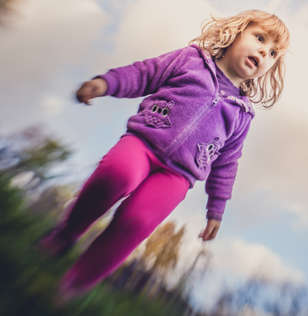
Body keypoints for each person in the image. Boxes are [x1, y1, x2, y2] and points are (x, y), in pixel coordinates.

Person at [40, 9, 290, 300]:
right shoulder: (190, 60)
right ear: (234, 33)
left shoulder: (242, 114)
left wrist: (216, 209)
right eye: (259, 38)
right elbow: (143, 74)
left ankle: (75, 283)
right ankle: (66, 233)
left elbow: (227, 164)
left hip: (177, 176)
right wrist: (104, 84)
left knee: (138, 222)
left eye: (272, 53)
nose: (264, 51)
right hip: (142, 144)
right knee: (115, 175)